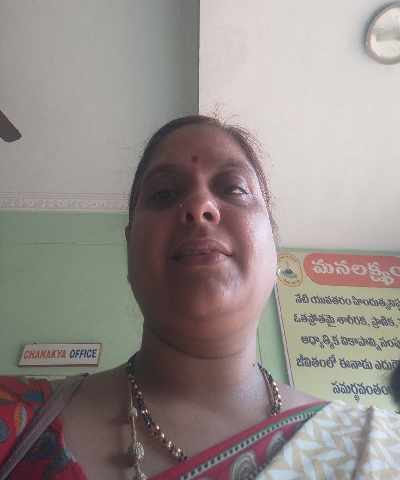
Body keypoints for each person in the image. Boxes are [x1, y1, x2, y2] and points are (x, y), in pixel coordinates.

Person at [1, 115, 399, 480]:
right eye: (163, 193)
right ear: (130, 245)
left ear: (274, 247)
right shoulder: (15, 418)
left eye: (234, 189)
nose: (199, 205)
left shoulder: (380, 449)